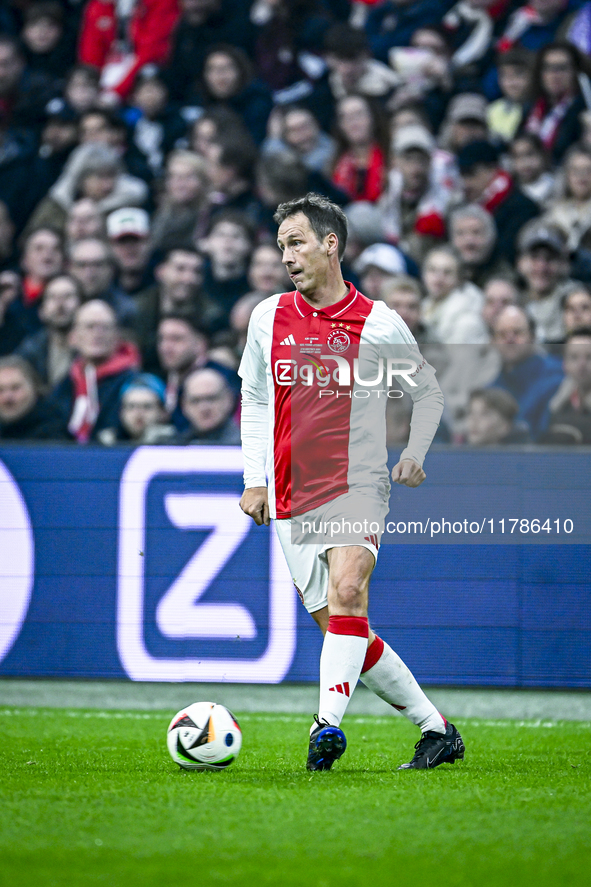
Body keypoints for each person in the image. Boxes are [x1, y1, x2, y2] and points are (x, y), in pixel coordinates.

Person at [238, 192, 464, 772]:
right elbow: (257, 399)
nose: (286, 255)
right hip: (289, 492)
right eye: (282, 244)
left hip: (356, 482)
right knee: (346, 629)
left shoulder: (378, 323)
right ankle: (436, 731)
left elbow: (428, 393)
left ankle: (325, 728)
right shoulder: (268, 318)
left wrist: (414, 453)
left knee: (346, 594)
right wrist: (254, 479)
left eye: (297, 242)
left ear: (330, 243)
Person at [50, 299, 140, 442]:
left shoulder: (134, 383)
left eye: (105, 327)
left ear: (117, 336)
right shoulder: (63, 386)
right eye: (90, 327)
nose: (97, 334)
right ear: (73, 337)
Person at [490, 305, 563, 437]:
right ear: (493, 341)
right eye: (502, 334)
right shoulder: (492, 387)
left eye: (517, 333)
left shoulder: (557, 376)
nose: (509, 340)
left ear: (532, 337)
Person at [16, 273, 82, 386]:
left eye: (68, 296)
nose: (60, 304)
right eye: (53, 297)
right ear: (41, 311)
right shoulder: (30, 350)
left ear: (82, 305)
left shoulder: (95, 345)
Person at [0, 354, 67, 440]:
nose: (7, 398)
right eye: (1, 390)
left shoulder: (53, 432)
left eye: (15, 388)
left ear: (34, 388)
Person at [543, 328, 591, 443]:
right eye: (574, 357)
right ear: (564, 364)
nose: (582, 365)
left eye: (589, 357)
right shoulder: (556, 403)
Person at [97, 373, 174, 445]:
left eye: (147, 406)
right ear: (121, 412)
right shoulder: (107, 443)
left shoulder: (175, 445)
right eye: (131, 406)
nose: (138, 413)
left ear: (163, 412)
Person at [176, 365, 241, 444]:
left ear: (228, 400)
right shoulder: (171, 446)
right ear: (184, 405)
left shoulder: (248, 446)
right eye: (195, 401)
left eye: (211, 399)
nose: (204, 407)